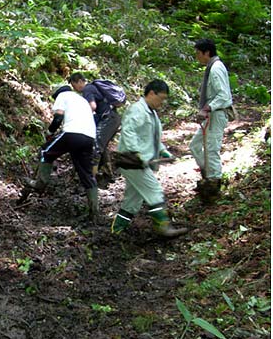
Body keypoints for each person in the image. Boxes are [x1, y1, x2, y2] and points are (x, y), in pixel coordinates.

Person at [111, 80, 188, 238]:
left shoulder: (151, 113)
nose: (162, 102)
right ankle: (163, 227)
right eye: (161, 98)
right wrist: (136, 152)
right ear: (151, 93)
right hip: (132, 161)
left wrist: (163, 151)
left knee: (133, 200)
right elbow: (129, 131)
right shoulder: (137, 110)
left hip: (139, 161)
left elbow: (152, 138)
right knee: (154, 191)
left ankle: (116, 231)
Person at [22, 83, 99, 221]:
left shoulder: (62, 96)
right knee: (86, 174)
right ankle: (94, 212)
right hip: (89, 137)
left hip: (72, 133)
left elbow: (58, 118)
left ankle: (40, 184)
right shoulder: (81, 99)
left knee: (46, 151)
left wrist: (49, 132)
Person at [189, 39, 233, 203]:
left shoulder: (216, 68)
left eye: (198, 53)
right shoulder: (213, 67)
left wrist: (207, 108)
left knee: (212, 150)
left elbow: (223, 96)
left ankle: (213, 187)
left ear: (207, 53)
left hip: (216, 114)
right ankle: (208, 175)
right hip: (210, 114)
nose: (197, 57)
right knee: (194, 146)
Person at [69, 73, 122, 177]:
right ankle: (107, 173)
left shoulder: (87, 89)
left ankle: (91, 179)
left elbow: (92, 106)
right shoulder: (93, 87)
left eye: (74, 85)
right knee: (102, 145)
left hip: (108, 119)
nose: (74, 88)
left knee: (95, 147)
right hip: (113, 117)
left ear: (80, 81)